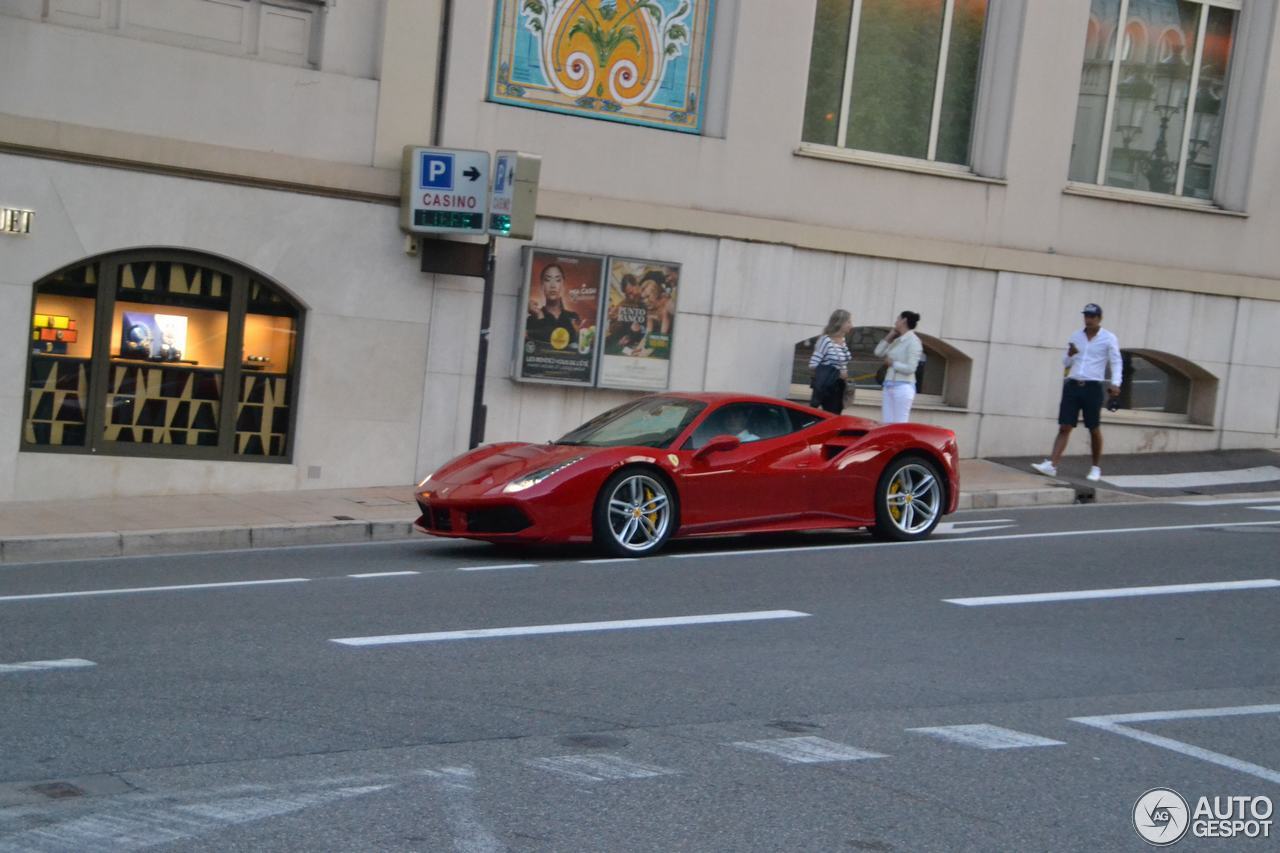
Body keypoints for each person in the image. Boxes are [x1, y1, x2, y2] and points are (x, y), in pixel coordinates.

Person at [1031, 303, 1123, 482]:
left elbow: (1116, 362)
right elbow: (1065, 363)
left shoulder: (1108, 338)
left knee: (1093, 427)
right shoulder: (1076, 336)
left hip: (1092, 386)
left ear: (1099, 319)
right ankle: (1052, 465)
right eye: (1086, 316)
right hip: (1073, 385)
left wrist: (1115, 384)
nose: (1088, 320)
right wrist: (1070, 354)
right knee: (1065, 425)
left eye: (1092, 317)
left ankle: (1095, 467)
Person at [875, 311, 923, 423]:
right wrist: (890, 335)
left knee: (900, 423)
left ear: (904, 321)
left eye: (898, 319)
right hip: (889, 385)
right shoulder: (897, 340)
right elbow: (878, 352)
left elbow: (911, 368)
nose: (895, 322)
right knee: (887, 423)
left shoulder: (913, 341)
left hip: (903, 386)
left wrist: (893, 364)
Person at [526, 263, 580, 349]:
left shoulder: (572, 317)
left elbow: (575, 345)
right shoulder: (531, 320)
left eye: (558, 280)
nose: (553, 285)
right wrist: (540, 315)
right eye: (547, 280)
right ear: (542, 286)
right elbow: (540, 343)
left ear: (563, 285)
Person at [809, 309, 852, 414]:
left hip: (840, 385)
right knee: (831, 415)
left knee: (836, 414)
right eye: (849, 322)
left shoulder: (842, 340)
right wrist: (836, 374)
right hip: (829, 386)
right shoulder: (825, 340)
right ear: (840, 323)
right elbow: (813, 364)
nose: (851, 325)